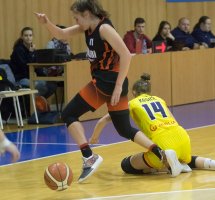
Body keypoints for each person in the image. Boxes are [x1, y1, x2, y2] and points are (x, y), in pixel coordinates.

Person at [35, 0, 181, 183]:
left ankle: (89, 156)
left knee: (68, 114)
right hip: (110, 82)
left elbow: (126, 55)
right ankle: (161, 153)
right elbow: (62, 34)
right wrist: (47, 22)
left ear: (87, 13)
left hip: (106, 82)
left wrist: (118, 86)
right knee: (124, 129)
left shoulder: (104, 29)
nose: (76, 21)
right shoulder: (87, 28)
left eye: (77, 17)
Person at [90, 74, 215, 176]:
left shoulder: (132, 103)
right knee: (189, 159)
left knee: (126, 165)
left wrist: (94, 138)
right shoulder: (160, 100)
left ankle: (166, 165)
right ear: (149, 91)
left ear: (134, 92)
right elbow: (175, 121)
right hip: (182, 136)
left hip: (162, 142)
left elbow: (103, 120)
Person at [9, 27, 57, 99]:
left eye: (30, 35)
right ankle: (35, 104)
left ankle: (38, 101)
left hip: (30, 78)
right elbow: (25, 67)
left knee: (51, 85)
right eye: (26, 35)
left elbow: (36, 66)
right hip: (20, 79)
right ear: (22, 37)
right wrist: (31, 53)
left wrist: (45, 77)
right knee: (40, 85)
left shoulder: (32, 49)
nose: (28, 38)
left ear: (32, 37)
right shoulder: (18, 50)